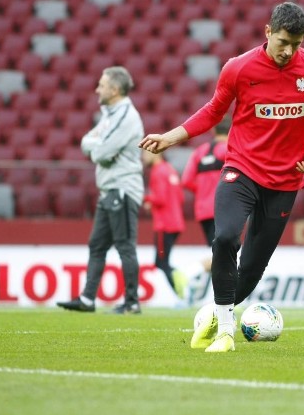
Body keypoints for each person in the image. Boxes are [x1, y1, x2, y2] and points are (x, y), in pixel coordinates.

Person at [139, 2, 304, 352]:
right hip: (242, 169)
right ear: (267, 32)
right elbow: (214, 110)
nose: (288, 50)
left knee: (251, 268)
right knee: (226, 237)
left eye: (296, 43)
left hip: (285, 181)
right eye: (282, 42)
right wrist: (170, 138)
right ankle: (226, 334)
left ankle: (215, 313)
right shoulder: (239, 68)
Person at [57, 66, 145, 314]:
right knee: (97, 245)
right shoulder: (110, 115)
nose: (97, 89)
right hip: (109, 189)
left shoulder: (126, 116)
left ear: (115, 89)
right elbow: (88, 142)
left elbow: (100, 152)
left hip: (123, 188)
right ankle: (87, 299)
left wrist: (97, 147)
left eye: (102, 85)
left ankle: (132, 302)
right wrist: (97, 147)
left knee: (125, 245)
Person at [179, 117, 230, 304]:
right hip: (224, 207)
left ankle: (222, 298)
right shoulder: (229, 149)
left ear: (214, 132)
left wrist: (202, 192)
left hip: (203, 210)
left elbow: (186, 181)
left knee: (220, 253)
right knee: (224, 255)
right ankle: (190, 276)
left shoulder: (199, 152)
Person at [142, 149, 187, 300]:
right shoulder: (169, 169)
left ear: (155, 153)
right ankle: (181, 288)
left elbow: (160, 198)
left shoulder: (157, 172)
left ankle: (182, 289)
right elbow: (180, 197)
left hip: (164, 224)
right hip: (176, 222)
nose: (143, 157)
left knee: (162, 263)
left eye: (145, 154)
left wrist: (147, 200)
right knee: (162, 262)